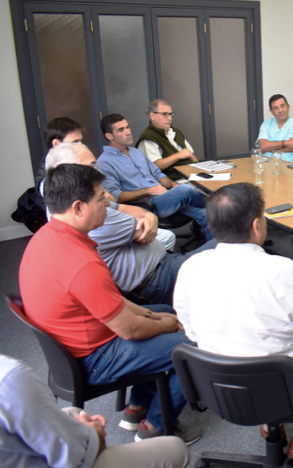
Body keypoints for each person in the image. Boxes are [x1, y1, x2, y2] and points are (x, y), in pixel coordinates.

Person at [19, 163, 200, 444]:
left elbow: (115, 304)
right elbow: (130, 331)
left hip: (75, 345)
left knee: (164, 312)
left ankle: (135, 408)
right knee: (195, 346)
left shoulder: (46, 236)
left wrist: (155, 316)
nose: (109, 204)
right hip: (94, 358)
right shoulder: (81, 263)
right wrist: (166, 326)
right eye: (102, 199)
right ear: (78, 207)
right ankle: (156, 427)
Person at [174, 182, 293, 460]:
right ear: (256, 225)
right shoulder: (285, 271)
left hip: (218, 387)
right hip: (283, 389)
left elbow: (191, 331)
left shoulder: (191, 267)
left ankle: (269, 424)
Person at [45, 143, 215, 306]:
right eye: (91, 166)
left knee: (206, 214)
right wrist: (148, 210)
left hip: (160, 262)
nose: (97, 171)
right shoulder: (90, 212)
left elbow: (126, 207)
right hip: (155, 280)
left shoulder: (87, 202)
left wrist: (149, 216)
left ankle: (219, 212)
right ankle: (221, 206)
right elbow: (124, 206)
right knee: (229, 240)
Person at [0, 354, 190, 468]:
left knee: (74, 413)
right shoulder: (9, 379)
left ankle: (137, 408)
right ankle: (154, 426)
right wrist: (95, 433)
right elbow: (77, 459)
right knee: (176, 449)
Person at [96, 113, 212, 240]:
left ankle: (217, 252)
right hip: (146, 203)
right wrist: (148, 190)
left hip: (164, 196)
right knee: (185, 190)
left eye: (128, 127)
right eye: (121, 130)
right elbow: (115, 196)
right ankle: (218, 203)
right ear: (109, 136)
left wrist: (173, 185)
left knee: (208, 215)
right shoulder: (104, 162)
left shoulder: (136, 152)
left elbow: (157, 174)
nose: (128, 132)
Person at [136, 99, 198, 172]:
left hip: (192, 174)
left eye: (170, 114)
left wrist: (198, 168)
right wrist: (178, 155)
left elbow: (189, 154)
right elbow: (155, 165)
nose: (169, 118)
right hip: (174, 179)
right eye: (164, 114)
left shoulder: (176, 131)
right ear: (152, 116)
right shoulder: (149, 137)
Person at [256, 94, 293, 165]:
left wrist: (269, 148)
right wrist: (286, 143)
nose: (280, 110)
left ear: (288, 107)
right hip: (267, 167)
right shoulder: (266, 124)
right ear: (271, 111)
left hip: (291, 167)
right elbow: (263, 146)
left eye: (282, 106)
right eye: (276, 108)